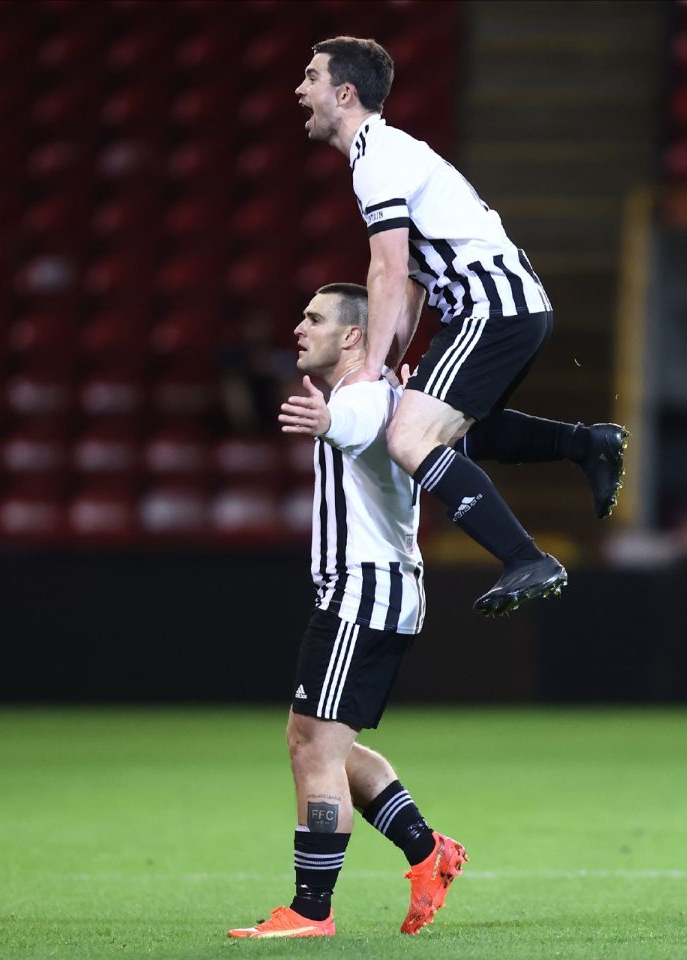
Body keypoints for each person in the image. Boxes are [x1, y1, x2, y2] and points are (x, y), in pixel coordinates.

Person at [295, 36, 628, 617]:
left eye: (311, 77)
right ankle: (586, 444)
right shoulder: (388, 152)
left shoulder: (375, 155)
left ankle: (527, 557)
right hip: (505, 306)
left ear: (345, 93)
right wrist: (398, 357)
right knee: (443, 431)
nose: (301, 90)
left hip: (490, 308)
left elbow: (389, 268)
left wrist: (372, 369)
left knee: (406, 439)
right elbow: (418, 281)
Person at [227, 283, 467, 940]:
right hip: (376, 590)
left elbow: (355, 423)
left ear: (355, 335)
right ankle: (428, 851)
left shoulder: (360, 398)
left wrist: (330, 421)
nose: (299, 327)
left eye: (315, 317)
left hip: (365, 591)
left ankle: (311, 910)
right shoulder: (383, 391)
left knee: (314, 751)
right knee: (315, 741)